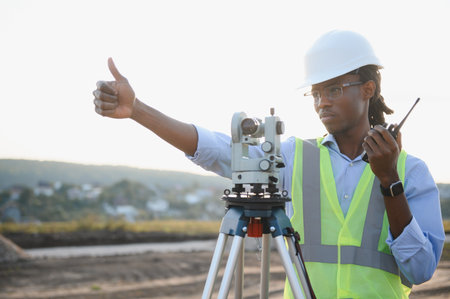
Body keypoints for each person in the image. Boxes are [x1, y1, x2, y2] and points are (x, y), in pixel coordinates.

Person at [93, 30, 445, 298]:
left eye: (334, 89)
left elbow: (420, 269)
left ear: (368, 89)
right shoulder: (295, 157)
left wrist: (389, 182)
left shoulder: (411, 171)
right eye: (316, 93)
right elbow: (219, 150)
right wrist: (137, 111)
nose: (322, 102)